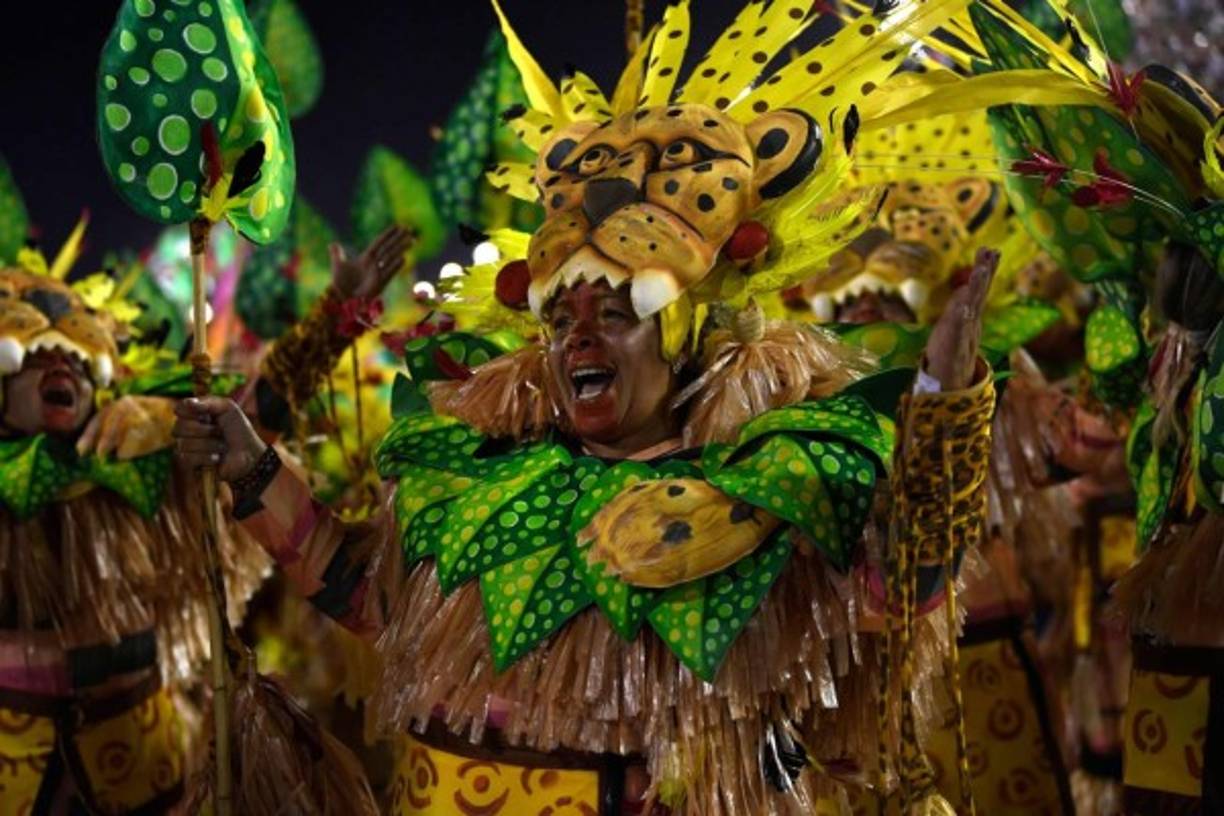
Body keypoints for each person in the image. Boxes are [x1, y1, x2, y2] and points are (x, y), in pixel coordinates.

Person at [174, 3, 1002, 811]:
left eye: (615, 313)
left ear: (679, 338)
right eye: (561, 320)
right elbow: (372, 598)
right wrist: (253, 469)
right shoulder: (482, 475)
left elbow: (896, 590)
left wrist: (945, 407)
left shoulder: (758, 493)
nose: (580, 339)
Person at [0, 222, 408, 816]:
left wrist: (336, 312)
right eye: (35, 359)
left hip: (143, 751)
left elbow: (246, 422)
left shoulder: (138, 458)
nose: (60, 365)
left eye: (74, 358)